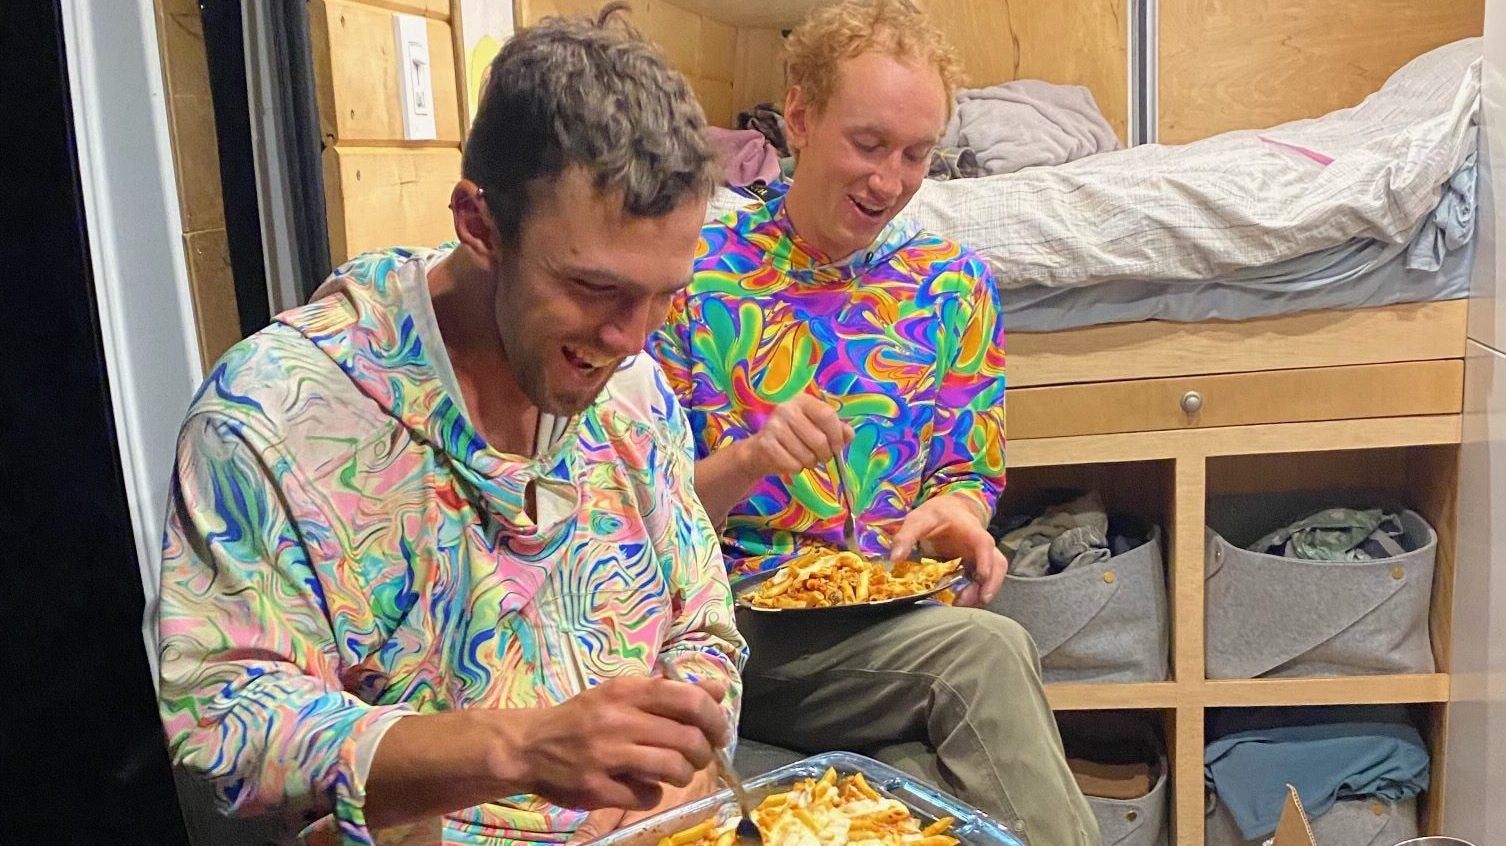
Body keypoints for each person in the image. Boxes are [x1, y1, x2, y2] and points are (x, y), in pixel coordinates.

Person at [156, 11, 745, 846]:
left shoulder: (637, 394)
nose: (631, 338)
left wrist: (671, 770)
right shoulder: (277, 420)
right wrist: (521, 747)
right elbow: (226, 729)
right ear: (479, 223)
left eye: (664, 294)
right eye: (593, 287)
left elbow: (703, 624)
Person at [646, 2, 1097, 844]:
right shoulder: (694, 278)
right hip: (745, 623)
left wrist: (960, 519)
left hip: (894, 614)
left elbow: (967, 470)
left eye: (916, 154)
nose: (888, 180)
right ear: (801, 117)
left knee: (935, 773)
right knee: (988, 657)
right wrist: (749, 460)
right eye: (867, 143)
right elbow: (648, 525)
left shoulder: (950, 283)